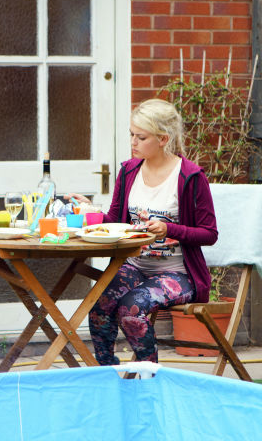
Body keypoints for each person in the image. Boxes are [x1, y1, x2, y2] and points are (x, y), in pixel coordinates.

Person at [65, 99, 218, 365]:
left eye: (141, 136)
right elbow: (115, 220)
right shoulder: (128, 171)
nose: (133, 142)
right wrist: (90, 211)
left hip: (178, 273)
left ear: (162, 139)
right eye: (131, 135)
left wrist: (169, 228)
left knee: (130, 309)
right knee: (99, 305)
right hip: (135, 266)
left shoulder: (190, 177)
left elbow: (209, 233)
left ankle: (148, 376)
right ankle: (106, 371)